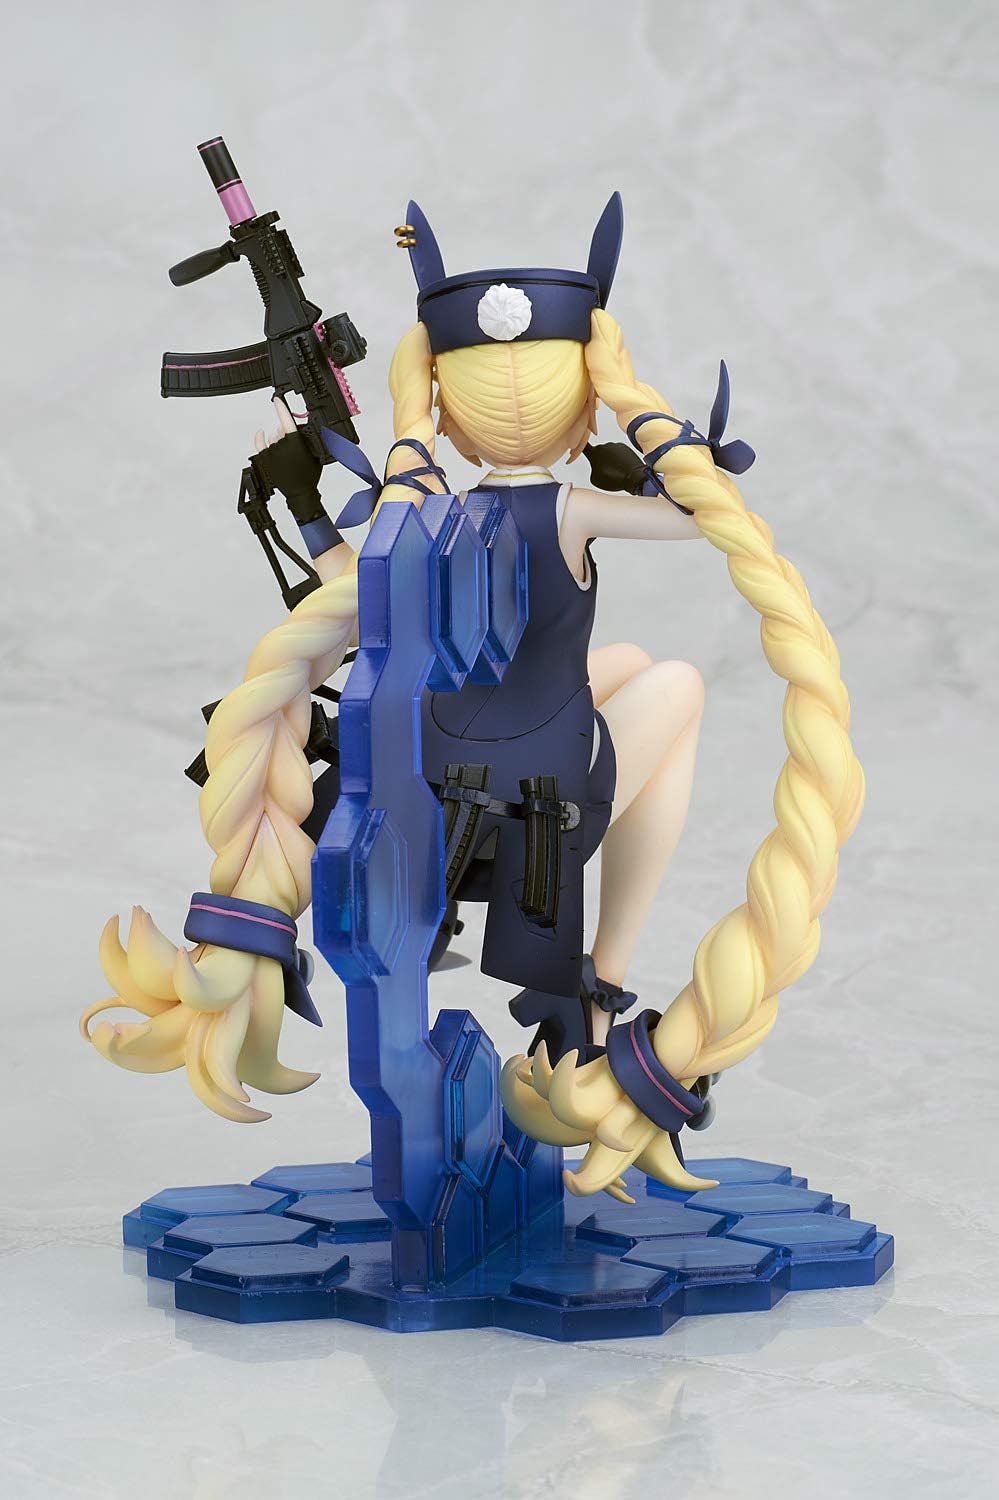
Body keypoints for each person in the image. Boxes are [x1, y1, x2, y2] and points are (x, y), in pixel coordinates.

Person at [81, 195, 864, 1200]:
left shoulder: (424, 516)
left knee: (622, 661)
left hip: (433, 780)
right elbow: (701, 515)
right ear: (583, 401)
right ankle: (600, 980)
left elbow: (349, 600)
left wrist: (311, 500)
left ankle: (581, 967)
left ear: (443, 405)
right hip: (536, 809)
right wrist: (644, 415)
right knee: (679, 683)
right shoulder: (570, 509)